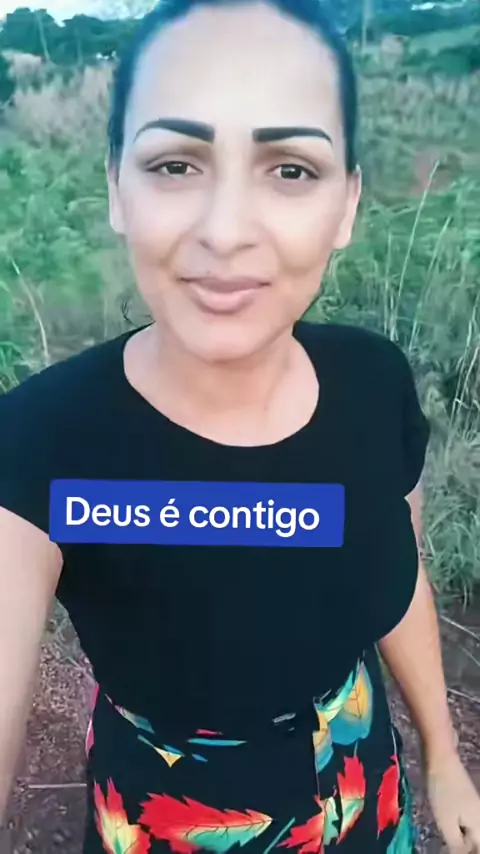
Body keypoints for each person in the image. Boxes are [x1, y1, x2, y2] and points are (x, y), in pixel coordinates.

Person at [0, 0, 479, 851]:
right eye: (175, 164)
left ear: (346, 205)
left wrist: (441, 755)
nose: (224, 232)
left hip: (361, 779)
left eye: (290, 168)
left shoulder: (374, 384)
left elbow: (396, 571)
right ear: (115, 188)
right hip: (168, 816)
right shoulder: (37, 443)